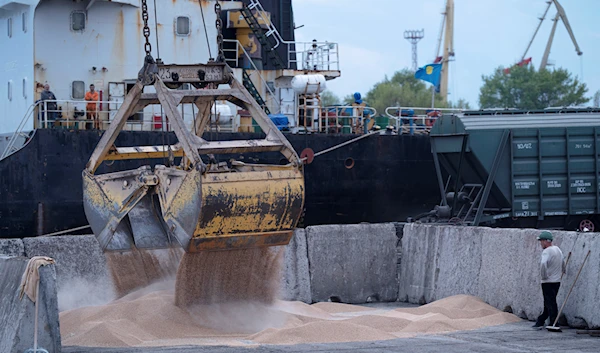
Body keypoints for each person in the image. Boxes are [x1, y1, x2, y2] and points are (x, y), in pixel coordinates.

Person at [533, 231, 565, 329]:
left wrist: (544, 276)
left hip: (548, 281)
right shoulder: (557, 249)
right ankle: (541, 320)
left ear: (546, 241)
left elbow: (543, 264)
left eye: (541, 241)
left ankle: (553, 322)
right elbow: (563, 261)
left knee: (550, 302)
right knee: (549, 301)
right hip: (557, 281)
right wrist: (563, 270)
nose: (541, 244)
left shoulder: (546, 251)